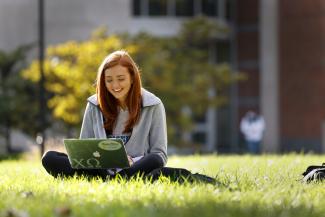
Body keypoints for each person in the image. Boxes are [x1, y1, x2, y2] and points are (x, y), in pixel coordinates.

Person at [42, 50, 215, 184]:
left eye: (120, 78)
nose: (115, 85)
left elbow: (159, 154)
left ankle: (122, 178)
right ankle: (116, 180)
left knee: (155, 164)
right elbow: (84, 151)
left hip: (137, 168)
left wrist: (131, 162)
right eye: (109, 80)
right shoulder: (94, 105)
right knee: (49, 158)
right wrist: (102, 162)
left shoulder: (153, 104)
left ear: (132, 77)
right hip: (101, 170)